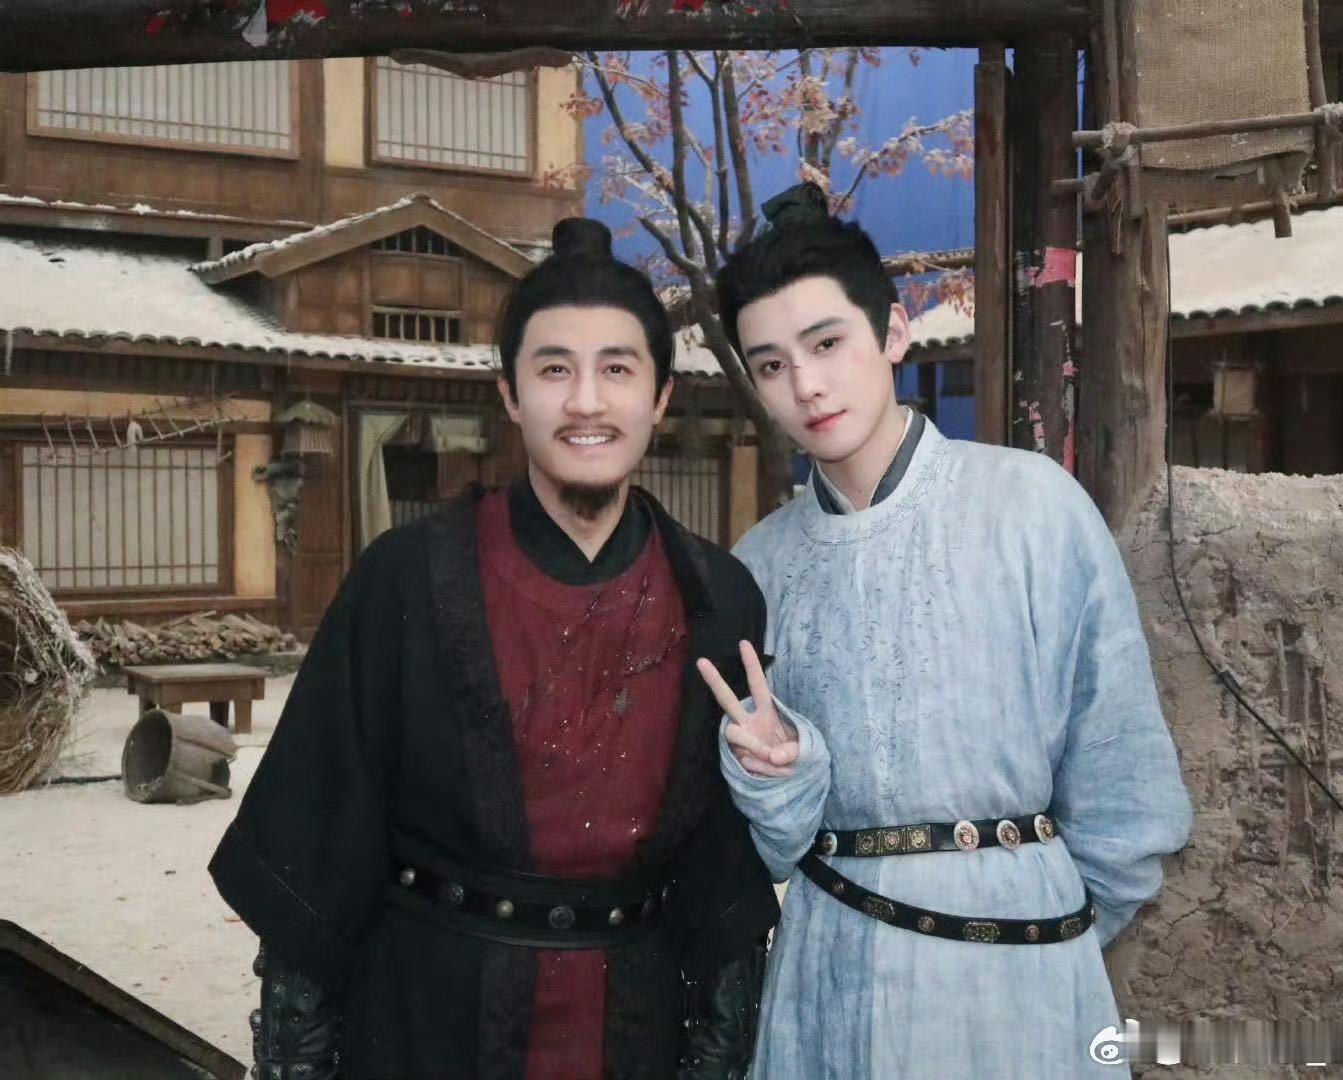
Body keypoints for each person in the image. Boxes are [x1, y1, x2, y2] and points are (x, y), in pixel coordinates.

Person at [211, 218, 778, 1080]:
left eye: (617, 369)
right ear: (510, 394)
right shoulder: (404, 580)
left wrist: (719, 1055)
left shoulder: (718, 596)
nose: (586, 402)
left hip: (636, 1025)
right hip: (424, 1017)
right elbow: (313, 857)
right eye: (554, 369)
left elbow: (723, 883)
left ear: (661, 396)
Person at [697, 183, 1194, 1079]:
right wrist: (778, 774)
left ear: (892, 332)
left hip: (1022, 966)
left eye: (827, 344)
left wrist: (1051, 934)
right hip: (833, 973)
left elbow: (1120, 769)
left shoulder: (1031, 505)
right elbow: (766, 846)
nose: (806, 385)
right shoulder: (758, 566)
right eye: (770, 365)